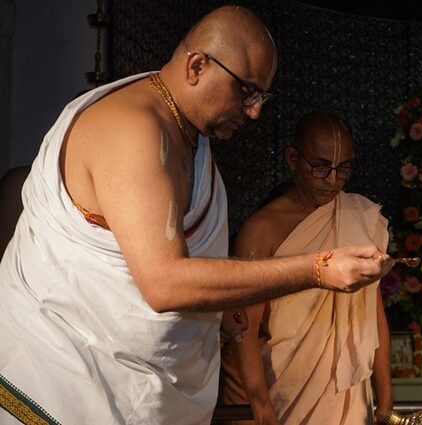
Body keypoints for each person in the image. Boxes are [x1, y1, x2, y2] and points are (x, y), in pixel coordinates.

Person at [0, 7, 391, 425]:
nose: (254, 111)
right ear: (197, 65)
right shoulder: (131, 128)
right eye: (246, 92)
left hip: (132, 390)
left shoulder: (191, 139)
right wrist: (318, 268)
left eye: (261, 97)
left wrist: (219, 309)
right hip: (62, 380)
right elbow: (164, 283)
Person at [219, 112, 393, 424]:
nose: (332, 180)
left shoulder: (360, 217)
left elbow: (372, 314)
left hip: (349, 395)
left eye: (344, 169)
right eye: (321, 166)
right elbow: (244, 326)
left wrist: (386, 400)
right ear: (292, 159)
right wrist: (261, 407)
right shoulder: (263, 229)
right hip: (285, 388)